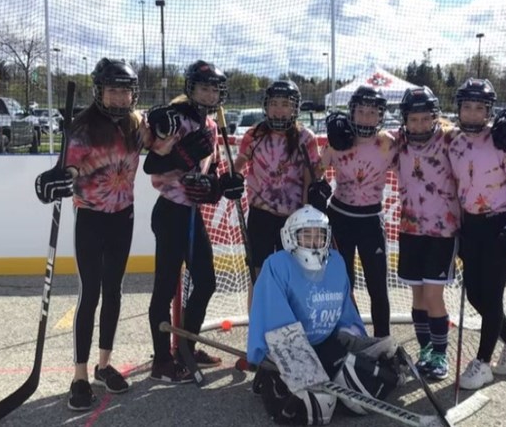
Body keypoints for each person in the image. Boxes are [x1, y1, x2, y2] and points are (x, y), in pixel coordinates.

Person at [33, 58, 147, 411]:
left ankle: (104, 364)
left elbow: (161, 144)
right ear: (99, 91)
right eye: (113, 90)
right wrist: (57, 180)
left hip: (123, 217)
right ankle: (80, 375)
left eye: (126, 91)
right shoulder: (82, 128)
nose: (120, 98)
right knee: (91, 293)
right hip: (91, 218)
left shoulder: (136, 123)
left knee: (114, 291)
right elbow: (68, 168)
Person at [247, 205, 399, 425]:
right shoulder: (277, 265)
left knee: (364, 396)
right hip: (286, 346)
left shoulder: (335, 262)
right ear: (290, 237)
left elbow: (345, 313)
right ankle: (269, 375)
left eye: (319, 235)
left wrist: (358, 343)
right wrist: (301, 366)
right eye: (306, 235)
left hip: (322, 343)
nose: (314, 242)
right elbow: (275, 322)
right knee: (318, 408)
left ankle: (327, 368)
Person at [142, 60, 245, 383]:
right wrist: (182, 156)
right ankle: (162, 360)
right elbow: (151, 165)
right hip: (170, 211)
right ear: (191, 88)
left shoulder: (211, 126)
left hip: (191, 213)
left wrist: (218, 185)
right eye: (204, 88)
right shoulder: (177, 119)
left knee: (206, 282)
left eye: (215, 89)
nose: (210, 94)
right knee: (165, 288)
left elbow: (209, 173)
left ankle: (186, 347)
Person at [447, 78, 506, 390]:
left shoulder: (503, 141)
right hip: (471, 226)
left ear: (489, 111)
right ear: (458, 109)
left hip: (500, 225)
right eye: (467, 107)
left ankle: (482, 363)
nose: (472, 113)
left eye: (479, 108)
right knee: (475, 293)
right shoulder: (453, 141)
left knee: (492, 294)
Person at [233, 81, 325, 298]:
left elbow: (310, 177)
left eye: (285, 104)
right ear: (266, 106)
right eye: (274, 103)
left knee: (293, 273)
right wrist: (230, 179)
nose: (278, 109)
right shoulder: (254, 135)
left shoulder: (305, 137)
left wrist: (307, 210)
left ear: (295, 108)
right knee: (258, 274)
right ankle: (257, 317)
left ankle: (290, 316)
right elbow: (237, 167)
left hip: (293, 218)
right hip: (260, 215)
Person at [317, 85, 395, 338]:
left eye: (373, 112)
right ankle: (348, 335)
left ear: (381, 115)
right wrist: (316, 188)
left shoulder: (388, 143)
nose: (366, 117)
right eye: (361, 111)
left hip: (371, 220)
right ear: (351, 112)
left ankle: (382, 341)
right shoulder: (338, 140)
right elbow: (316, 173)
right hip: (340, 218)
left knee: (377, 285)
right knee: (343, 283)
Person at [393, 86, 459, 381]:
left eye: (425, 118)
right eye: (413, 119)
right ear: (405, 120)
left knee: (433, 296)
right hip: (410, 229)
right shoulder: (398, 143)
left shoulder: (449, 139)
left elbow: (478, 137)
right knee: (418, 296)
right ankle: (426, 351)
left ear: (435, 117)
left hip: (442, 232)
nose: (419, 125)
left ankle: (441, 355)